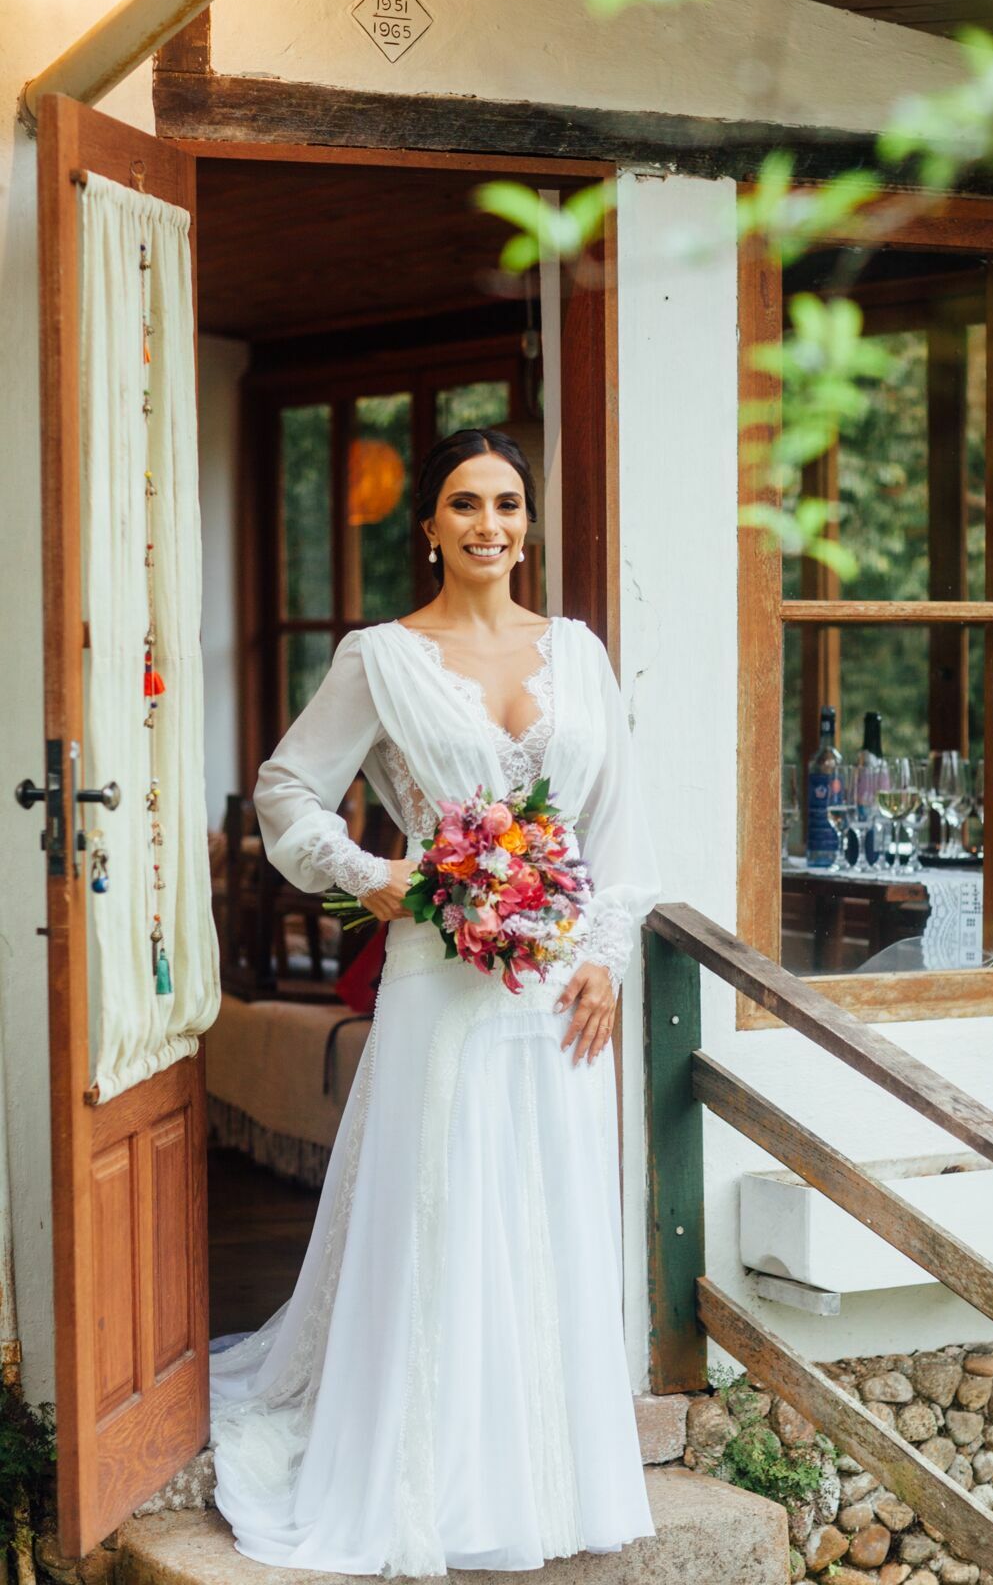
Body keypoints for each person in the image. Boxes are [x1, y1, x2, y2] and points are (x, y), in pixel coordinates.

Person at [209, 427, 662, 1576]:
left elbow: (616, 821)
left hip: (557, 988)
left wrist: (605, 957)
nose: (488, 525)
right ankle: (427, 1477)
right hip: (438, 979)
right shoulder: (380, 658)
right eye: (465, 504)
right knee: (443, 1210)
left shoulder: (579, 653)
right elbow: (286, 789)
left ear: (529, 523)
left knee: (548, 1214)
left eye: (506, 504)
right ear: (429, 527)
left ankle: (547, 1481)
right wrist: (373, 873)